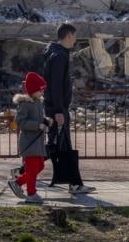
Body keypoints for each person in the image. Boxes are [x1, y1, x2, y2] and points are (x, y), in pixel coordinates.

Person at [43, 23, 95, 194]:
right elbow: (56, 85)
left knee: (61, 146)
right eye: (74, 36)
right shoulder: (59, 56)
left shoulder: (55, 53)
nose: (75, 39)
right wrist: (59, 110)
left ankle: (75, 184)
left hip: (56, 107)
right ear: (69, 36)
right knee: (55, 146)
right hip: (58, 109)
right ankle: (22, 173)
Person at [8, 71, 51, 204]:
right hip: (29, 142)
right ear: (33, 90)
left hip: (37, 142)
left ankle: (18, 182)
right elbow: (20, 122)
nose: (43, 92)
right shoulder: (25, 103)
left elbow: (37, 119)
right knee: (32, 169)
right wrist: (38, 125)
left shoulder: (38, 102)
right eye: (41, 90)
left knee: (40, 166)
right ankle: (31, 194)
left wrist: (45, 121)